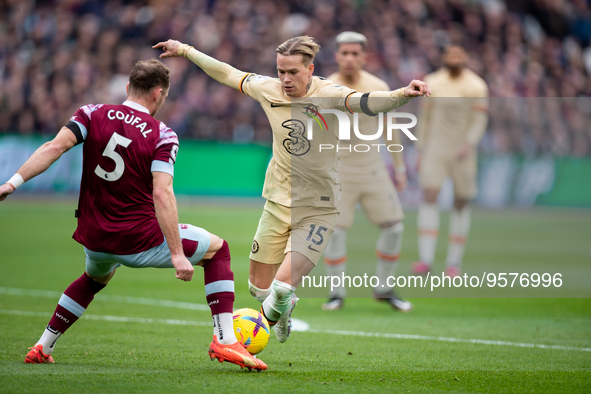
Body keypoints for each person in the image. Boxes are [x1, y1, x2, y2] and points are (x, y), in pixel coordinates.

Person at [154, 37, 430, 343]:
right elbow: (227, 73)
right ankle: (283, 310)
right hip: (277, 202)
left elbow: (368, 102)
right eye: (281, 71)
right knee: (260, 289)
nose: (285, 79)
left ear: (310, 70)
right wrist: (185, 50)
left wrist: (404, 94)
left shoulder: (328, 94)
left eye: (293, 72)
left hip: (318, 206)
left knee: (283, 287)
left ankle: (248, 339)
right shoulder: (268, 88)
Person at [0, 59, 267, 371]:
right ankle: (224, 339)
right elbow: (162, 192)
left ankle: (42, 346)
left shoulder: (91, 113)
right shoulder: (162, 134)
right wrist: (177, 254)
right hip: (138, 239)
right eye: (164, 98)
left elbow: (54, 148)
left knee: (93, 278)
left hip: (94, 235)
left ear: (128, 88)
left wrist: (11, 182)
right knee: (218, 250)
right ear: (158, 94)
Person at [321, 32, 412, 312]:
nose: (349, 58)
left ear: (364, 57)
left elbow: (391, 131)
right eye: (344, 53)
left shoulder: (378, 86)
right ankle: (336, 293)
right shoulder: (325, 87)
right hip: (337, 168)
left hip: (372, 167)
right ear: (336, 56)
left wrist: (399, 168)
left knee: (394, 227)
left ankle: (383, 288)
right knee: (335, 231)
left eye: (355, 53)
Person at [411, 45, 489, 277]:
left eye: (459, 54)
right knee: (429, 196)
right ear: (444, 58)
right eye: (450, 55)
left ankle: (453, 263)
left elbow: (479, 119)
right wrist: (421, 148)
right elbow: (425, 117)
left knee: (461, 201)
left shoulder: (476, 85)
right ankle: (425, 259)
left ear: (465, 57)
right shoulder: (432, 81)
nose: (454, 58)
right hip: (436, 149)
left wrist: (469, 143)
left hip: (462, 151)